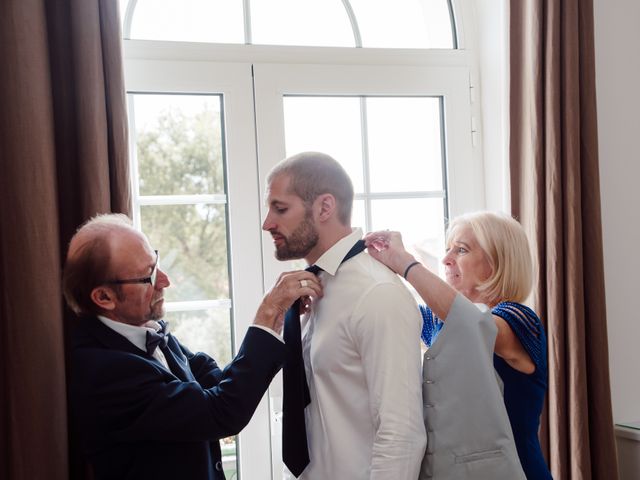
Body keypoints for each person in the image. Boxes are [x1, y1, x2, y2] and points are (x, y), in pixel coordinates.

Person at [63, 213, 322, 480]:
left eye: (156, 263)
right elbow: (222, 412)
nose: (165, 280)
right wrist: (269, 310)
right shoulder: (104, 371)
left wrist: (278, 319)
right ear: (104, 297)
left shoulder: (146, 330)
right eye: (148, 277)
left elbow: (215, 380)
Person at [262, 152, 426, 479]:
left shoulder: (377, 293)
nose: (267, 223)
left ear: (324, 207)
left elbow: (402, 432)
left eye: (280, 209)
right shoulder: (307, 293)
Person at [365, 211, 552, 480]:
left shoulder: (520, 321)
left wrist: (405, 263)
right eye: (447, 249)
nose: (446, 259)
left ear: (498, 261)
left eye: (461, 250)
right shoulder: (437, 322)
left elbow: (473, 326)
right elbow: (393, 311)